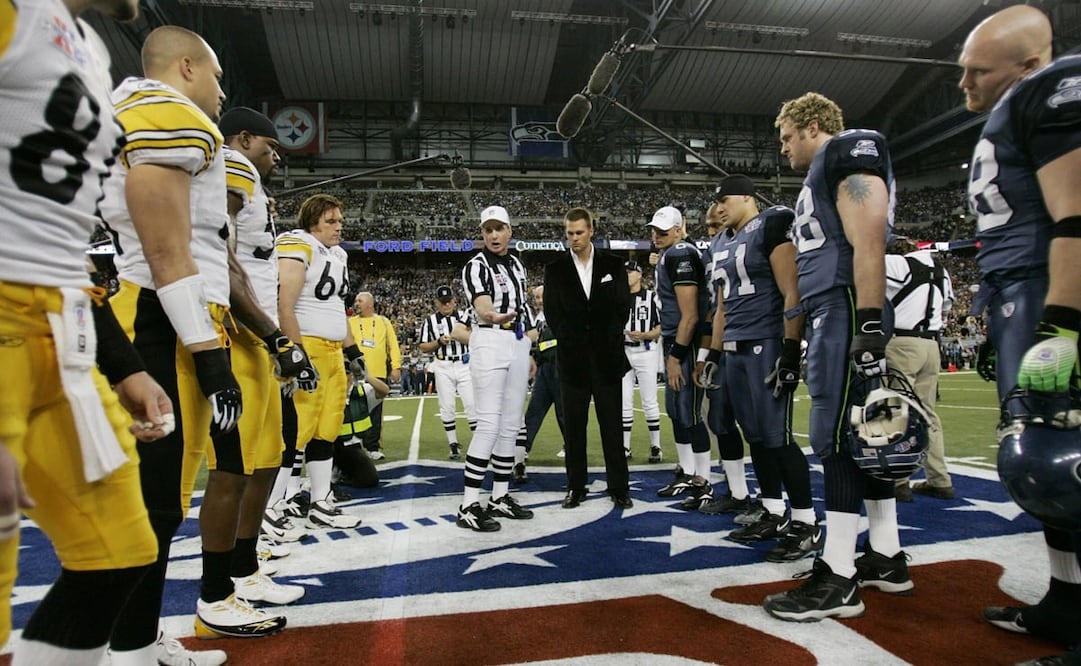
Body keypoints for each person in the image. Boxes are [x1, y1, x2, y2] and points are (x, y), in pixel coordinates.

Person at [0, 1, 182, 662]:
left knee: (119, 548)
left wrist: (122, 360)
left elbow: (58, 234)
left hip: (64, 326)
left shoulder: (90, 47)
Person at [100, 26, 287, 655]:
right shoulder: (167, 114)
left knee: (164, 498)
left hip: (176, 314)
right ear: (185, 67)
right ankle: (125, 647)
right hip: (157, 316)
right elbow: (164, 248)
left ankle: (136, 637)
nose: (220, 91)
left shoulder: (168, 117)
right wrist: (210, 354)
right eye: (216, 76)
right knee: (149, 498)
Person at [959, 5, 1081, 656]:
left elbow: (1076, 217)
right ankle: (1065, 602)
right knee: (1041, 470)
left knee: (1068, 465)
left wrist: (1061, 323)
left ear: (1029, 65)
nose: (963, 85)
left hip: (1047, 290)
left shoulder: (1054, 88)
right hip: (1017, 293)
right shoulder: (1016, 107)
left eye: (978, 72)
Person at [763, 92, 904, 622]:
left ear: (812, 125)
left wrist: (866, 323)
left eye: (786, 137)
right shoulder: (822, 169)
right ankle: (887, 556)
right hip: (836, 305)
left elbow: (868, 237)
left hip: (846, 305)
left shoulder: (846, 149)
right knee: (868, 435)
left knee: (838, 436)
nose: (783, 150)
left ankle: (840, 573)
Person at [698, 175, 820, 562]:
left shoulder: (771, 223)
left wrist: (789, 348)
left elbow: (791, 289)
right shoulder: (720, 241)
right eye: (715, 200)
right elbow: (720, 308)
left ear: (748, 197)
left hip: (765, 342)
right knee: (755, 436)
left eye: (725, 197)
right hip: (733, 348)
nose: (719, 206)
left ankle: (806, 522)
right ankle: (773, 510)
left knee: (777, 436)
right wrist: (714, 355)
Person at [218, 106, 309, 605]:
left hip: (257, 332)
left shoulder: (249, 176)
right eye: (271, 147)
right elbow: (223, 254)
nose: (276, 157)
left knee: (271, 455)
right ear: (245, 138)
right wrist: (274, 336)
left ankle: (244, 564)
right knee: (241, 462)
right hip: (242, 332)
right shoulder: (234, 166)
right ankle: (226, 579)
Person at [270, 193, 363, 531]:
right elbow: (285, 304)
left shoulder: (337, 254)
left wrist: (353, 352)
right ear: (312, 222)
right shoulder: (297, 243)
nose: (339, 226)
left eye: (340, 220)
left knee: (326, 431)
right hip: (307, 346)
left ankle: (321, 501)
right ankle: (272, 507)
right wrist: (295, 353)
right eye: (331, 221)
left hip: (334, 352)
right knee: (295, 432)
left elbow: (337, 309)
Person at [544, 208, 634, 509]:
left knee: (612, 427)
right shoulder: (555, 268)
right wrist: (572, 341)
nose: (574, 239)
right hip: (572, 361)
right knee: (574, 429)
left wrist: (607, 339)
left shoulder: (613, 264)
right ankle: (575, 487)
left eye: (579, 233)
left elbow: (623, 306)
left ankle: (619, 487)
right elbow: (553, 313)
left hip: (607, 359)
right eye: (569, 233)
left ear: (591, 230)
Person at [456, 205, 535, 531]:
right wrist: (493, 315)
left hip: (516, 342)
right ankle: (468, 504)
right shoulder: (475, 266)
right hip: (489, 339)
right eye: (487, 230)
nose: (493, 235)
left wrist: (528, 346)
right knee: (488, 424)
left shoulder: (516, 264)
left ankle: (499, 496)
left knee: (512, 424)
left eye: (498, 228)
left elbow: (524, 306)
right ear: (482, 233)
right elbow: (483, 306)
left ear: (509, 230)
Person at [647, 206, 714, 510]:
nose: (657, 235)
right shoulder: (670, 254)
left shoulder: (681, 254)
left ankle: (703, 480)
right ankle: (688, 472)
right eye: (655, 230)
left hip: (683, 342)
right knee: (675, 410)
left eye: (664, 231)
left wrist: (676, 355)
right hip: (674, 339)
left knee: (688, 412)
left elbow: (690, 315)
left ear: (679, 229)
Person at [697, 203, 754, 519]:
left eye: (718, 228)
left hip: (755, 344)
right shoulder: (712, 258)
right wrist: (708, 354)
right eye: (708, 229)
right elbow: (712, 311)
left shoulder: (755, 244)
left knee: (760, 429)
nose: (713, 235)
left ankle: (779, 506)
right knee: (719, 421)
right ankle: (739, 492)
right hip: (723, 347)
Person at [885, 247, 954, 502]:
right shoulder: (942, 272)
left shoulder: (897, 264)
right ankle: (940, 480)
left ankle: (898, 481)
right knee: (928, 414)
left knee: (896, 412)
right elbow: (945, 309)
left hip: (902, 342)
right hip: (931, 344)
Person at [418, 285, 476, 460]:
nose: (446, 305)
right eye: (443, 302)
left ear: (454, 301)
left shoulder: (464, 317)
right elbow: (423, 346)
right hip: (443, 364)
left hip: (464, 363)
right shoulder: (429, 321)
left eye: (449, 301)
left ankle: (478, 444)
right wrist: (438, 342)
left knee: (472, 405)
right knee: (447, 406)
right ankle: (453, 444)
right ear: (436, 303)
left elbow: (476, 336)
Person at [519, 285, 566, 483]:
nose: (539, 300)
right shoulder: (536, 318)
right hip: (543, 368)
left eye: (542, 296)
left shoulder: (561, 313)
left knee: (564, 412)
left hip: (560, 367)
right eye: (536, 297)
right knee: (534, 411)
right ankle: (523, 450)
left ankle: (571, 447)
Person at [348, 291, 402, 460]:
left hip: (377, 374)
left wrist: (396, 367)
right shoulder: (349, 322)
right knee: (353, 410)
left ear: (370, 304)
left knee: (375, 412)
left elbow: (392, 345)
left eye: (360, 301)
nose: (356, 303)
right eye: (356, 301)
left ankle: (373, 446)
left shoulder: (384, 322)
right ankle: (353, 445)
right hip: (354, 374)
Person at [621, 260, 663, 462]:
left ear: (639, 275)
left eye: (630, 272)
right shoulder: (617, 297)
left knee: (649, 400)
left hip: (646, 351)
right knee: (624, 401)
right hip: (624, 351)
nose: (626, 275)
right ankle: (625, 447)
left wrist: (645, 335)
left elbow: (660, 327)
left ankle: (656, 446)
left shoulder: (651, 297)